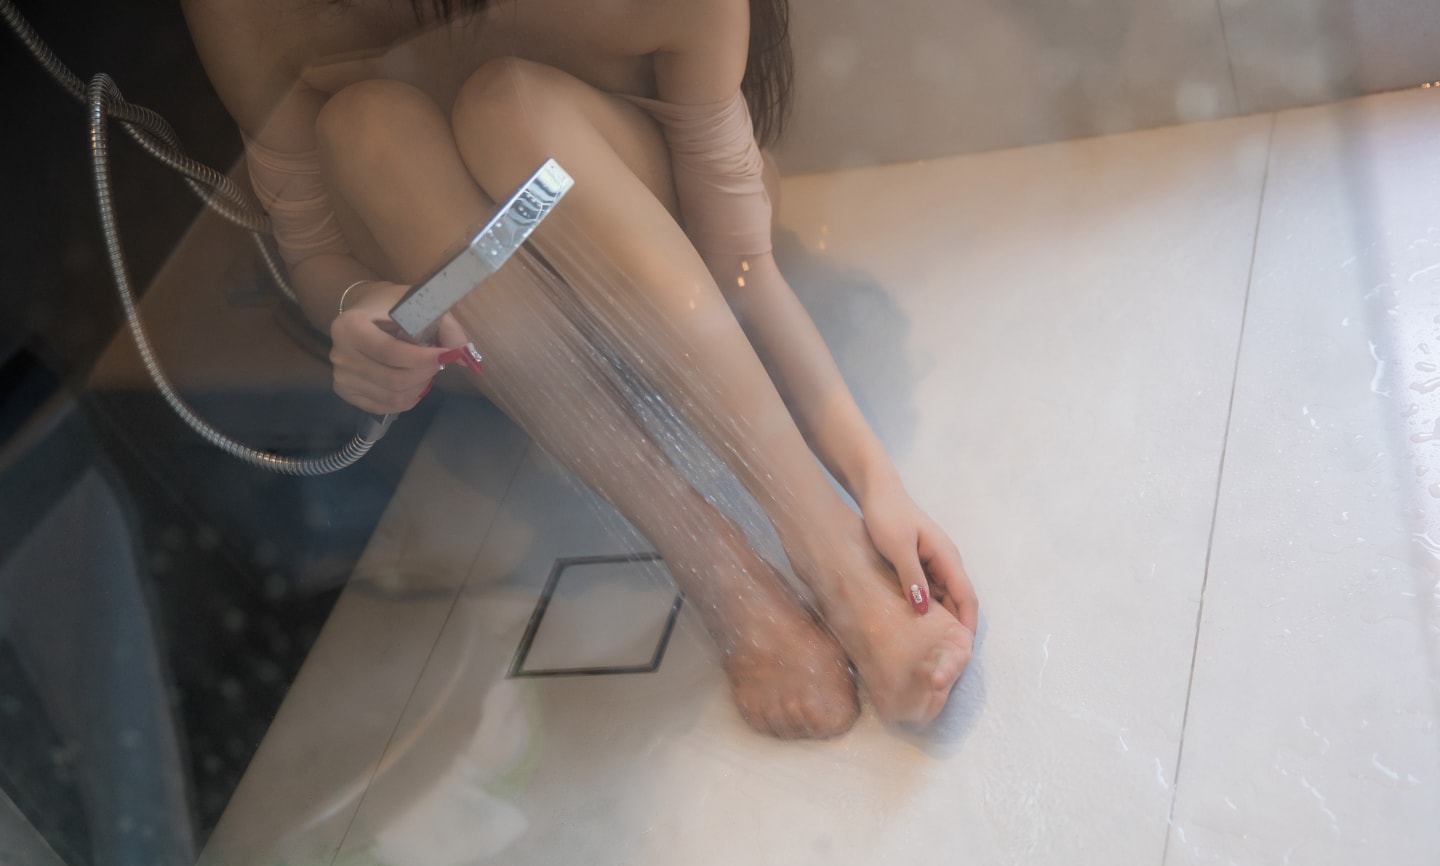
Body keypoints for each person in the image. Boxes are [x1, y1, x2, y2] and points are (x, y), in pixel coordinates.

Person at [182, 0, 978, 738]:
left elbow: (742, 266)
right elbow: (315, 250)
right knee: (365, 125)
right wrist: (362, 306)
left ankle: (828, 548)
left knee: (511, 106)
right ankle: (711, 562)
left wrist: (870, 482)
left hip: (672, 256)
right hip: (486, 313)